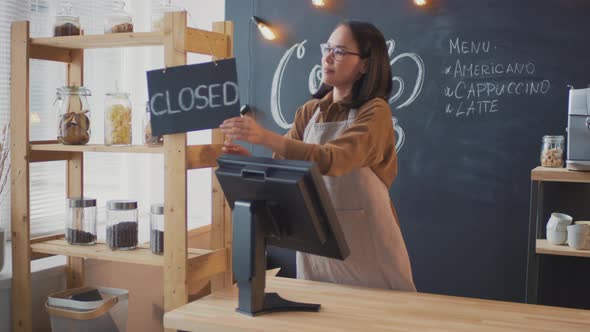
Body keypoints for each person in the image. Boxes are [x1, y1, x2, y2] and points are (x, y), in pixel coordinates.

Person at [220, 21, 416, 292]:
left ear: (365, 65)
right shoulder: (308, 112)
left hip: (368, 252)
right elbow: (280, 171)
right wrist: (247, 161)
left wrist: (264, 136)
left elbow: (336, 159)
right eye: (327, 48)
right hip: (318, 247)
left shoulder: (375, 112)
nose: (326, 57)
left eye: (339, 51)